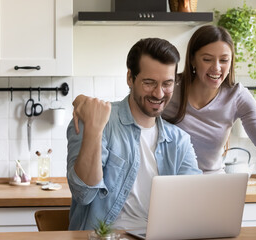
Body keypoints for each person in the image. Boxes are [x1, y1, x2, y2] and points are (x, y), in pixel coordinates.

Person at [73, 25, 256, 174]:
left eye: (224, 60)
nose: (216, 68)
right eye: (207, 59)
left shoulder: (237, 96)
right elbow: (130, 111)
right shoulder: (169, 87)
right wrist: (82, 102)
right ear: (192, 59)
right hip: (167, 183)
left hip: (210, 185)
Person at [66, 38, 202, 231]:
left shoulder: (179, 141)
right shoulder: (97, 120)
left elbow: (195, 203)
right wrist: (94, 130)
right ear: (130, 78)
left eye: (167, 83)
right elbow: (83, 194)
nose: (159, 93)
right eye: (149, 83)